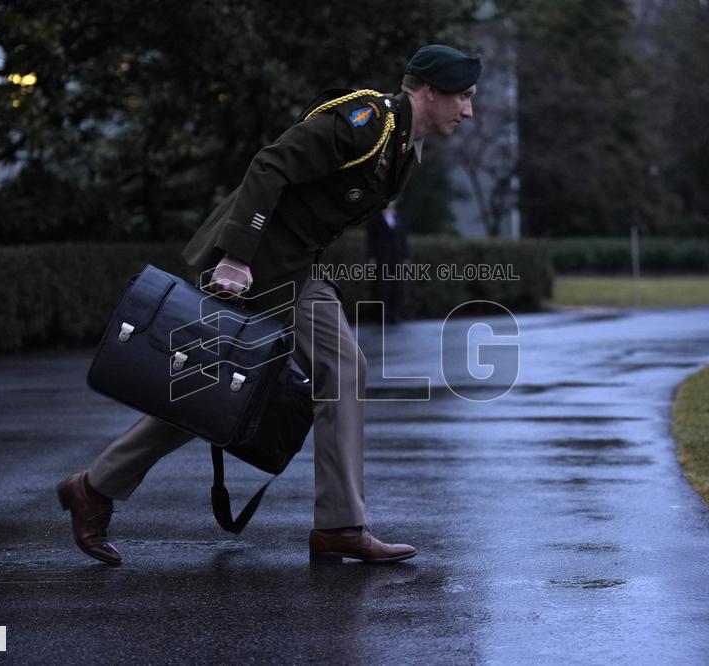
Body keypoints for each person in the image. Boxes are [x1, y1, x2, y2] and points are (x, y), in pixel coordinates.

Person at [58, 44, 481, 565]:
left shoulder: (403, 147)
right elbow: (270, 165)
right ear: (430, 91)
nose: (468, 110)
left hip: (294, 269)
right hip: (253, 264)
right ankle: (95, 488)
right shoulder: (369, 121)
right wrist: (237, 255)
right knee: (212, 392)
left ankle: (339, 524)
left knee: (288, 378)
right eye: (462, 97)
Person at [365, 200, 409, 324]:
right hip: (382, 258)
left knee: (397, 286)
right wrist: (371, 257)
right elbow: (371, 239)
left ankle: (395, 313)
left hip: (397, 257)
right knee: (382, 287)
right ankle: (381, 315)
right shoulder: (375, 218)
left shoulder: (399, 216)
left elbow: (403, 238)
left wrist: (406, 257)